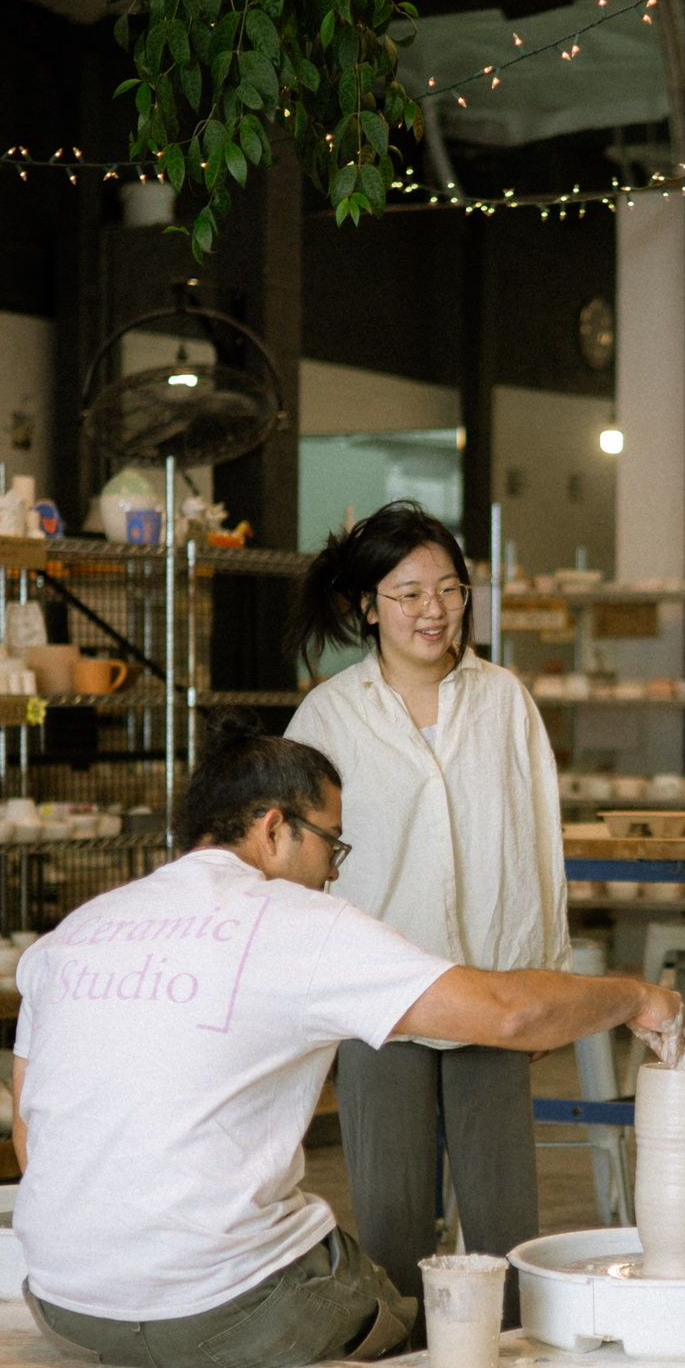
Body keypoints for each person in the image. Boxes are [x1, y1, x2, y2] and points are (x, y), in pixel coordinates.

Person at [9, 729, 683, 1368]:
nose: (333, 871)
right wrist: (635, 997)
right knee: (401, 1314)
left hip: (64, 1303)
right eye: (331, 843)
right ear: (275, 829)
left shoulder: (74, 933)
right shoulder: (297, 924)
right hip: (223, 1307)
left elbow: (29, 1134)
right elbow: (510, 1015)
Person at [283, 502, 570, 1311]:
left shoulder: (504, 699)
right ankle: (400, 1356)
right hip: (380, 994)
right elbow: (295, 863)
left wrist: (545, 984)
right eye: (408, 594)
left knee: (505, 1221)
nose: (433, 610)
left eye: (448, 589)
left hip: (490, 985)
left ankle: (505, 1353)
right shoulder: (329, 715)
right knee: (392, 1223)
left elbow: (541, 842)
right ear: (369, 606)